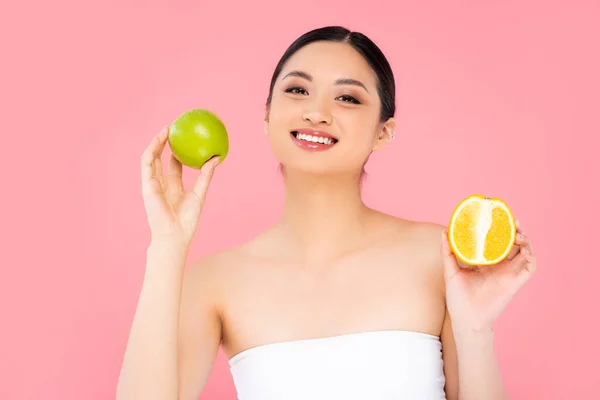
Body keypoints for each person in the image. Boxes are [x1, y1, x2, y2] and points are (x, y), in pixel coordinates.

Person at [116, 26, 536, 400]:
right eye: (297, 90)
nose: (316, 112)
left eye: (347, 97)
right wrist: (167, 248)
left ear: (383, 131)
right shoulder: (216, 281)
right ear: (266, 114)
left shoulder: (438, 256)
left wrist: (476, 332)